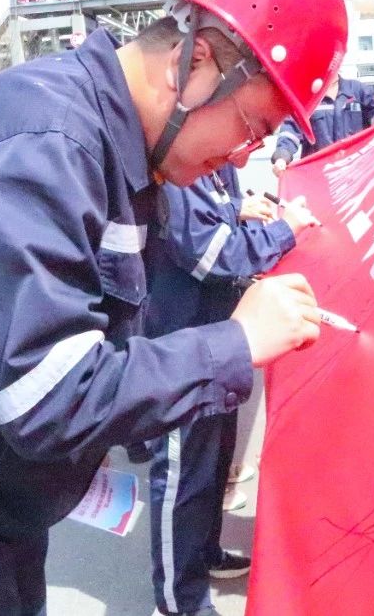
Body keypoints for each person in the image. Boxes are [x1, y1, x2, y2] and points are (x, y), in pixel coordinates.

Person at [0, 0, 347, 616]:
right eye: (251, 126)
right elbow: (45, 397)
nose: (242, 155)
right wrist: (233, 344)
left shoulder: (108, 141)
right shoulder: (48, 144)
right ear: (196, 66)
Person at [147, 164, 317, 616]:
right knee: (182, 478)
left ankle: (205, 555)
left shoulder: (217, 163)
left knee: (212, 468)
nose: (248, 150)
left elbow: (218, 225)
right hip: (179, 348)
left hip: (220, 339)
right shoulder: (183, 163)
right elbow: (206, 254)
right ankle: (176, 602)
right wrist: (283, 232)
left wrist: (241, 212)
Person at [270, 72, 374, 176]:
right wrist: (282, 157)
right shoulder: (305, 98)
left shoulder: (358, 90)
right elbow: (290, 131)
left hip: (357, 174)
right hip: (319, 178)